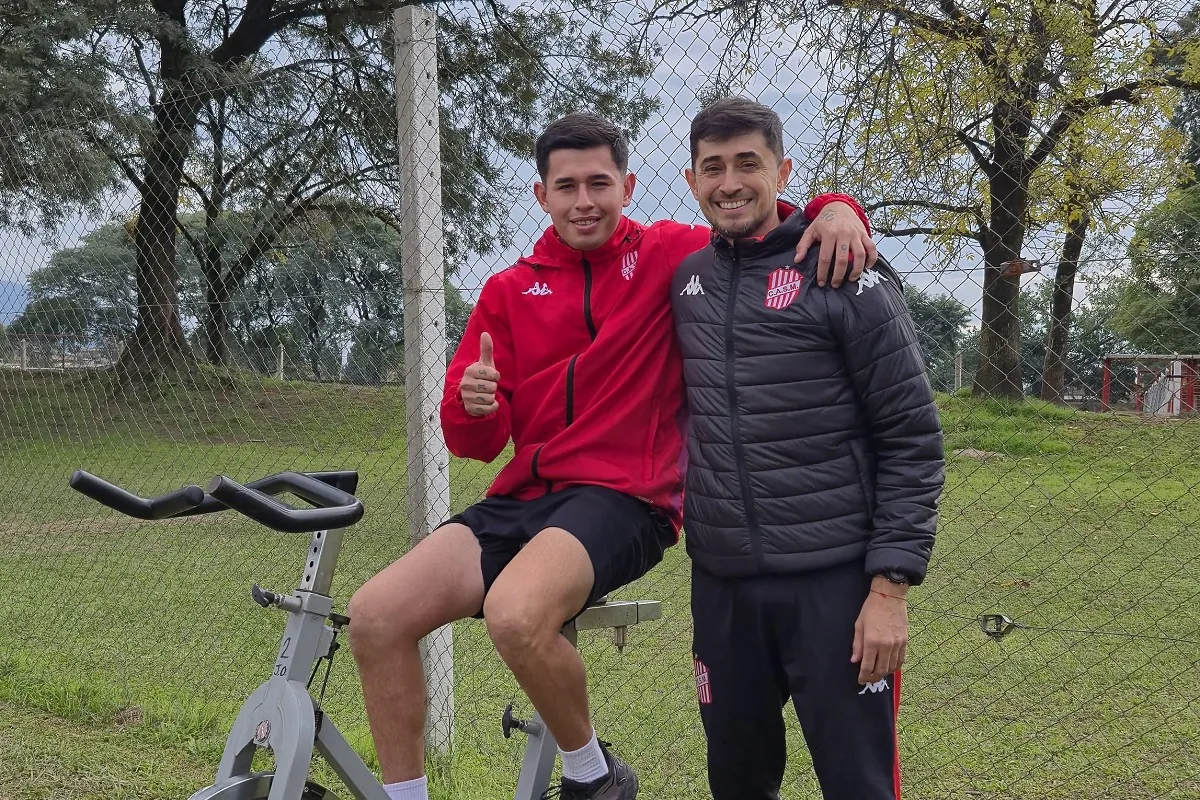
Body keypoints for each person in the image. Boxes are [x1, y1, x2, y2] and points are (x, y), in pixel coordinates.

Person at [346, 111, 875, 800]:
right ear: (542, 196)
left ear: (627, 185)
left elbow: (759, 221)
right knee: (374, 614)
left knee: (514, 614)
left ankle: (595, 776)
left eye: (600, 183)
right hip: (525, 498)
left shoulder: (669, 256)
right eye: (566, 186)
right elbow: (474, 443)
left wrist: (838, 208)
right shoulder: (507, 291)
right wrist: (473, 405)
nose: (584, 200)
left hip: (627, 501)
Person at [671, 96, 945, 800]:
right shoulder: (685, 280)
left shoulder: (844, 270)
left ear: (783, 169)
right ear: (692, 179)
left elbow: (912, 439)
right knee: (736, 781)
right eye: (713, 168)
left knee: (857, 785)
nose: (730, 182)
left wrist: (889, 590)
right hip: (723, 587)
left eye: (748, 164)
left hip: (836, 586)